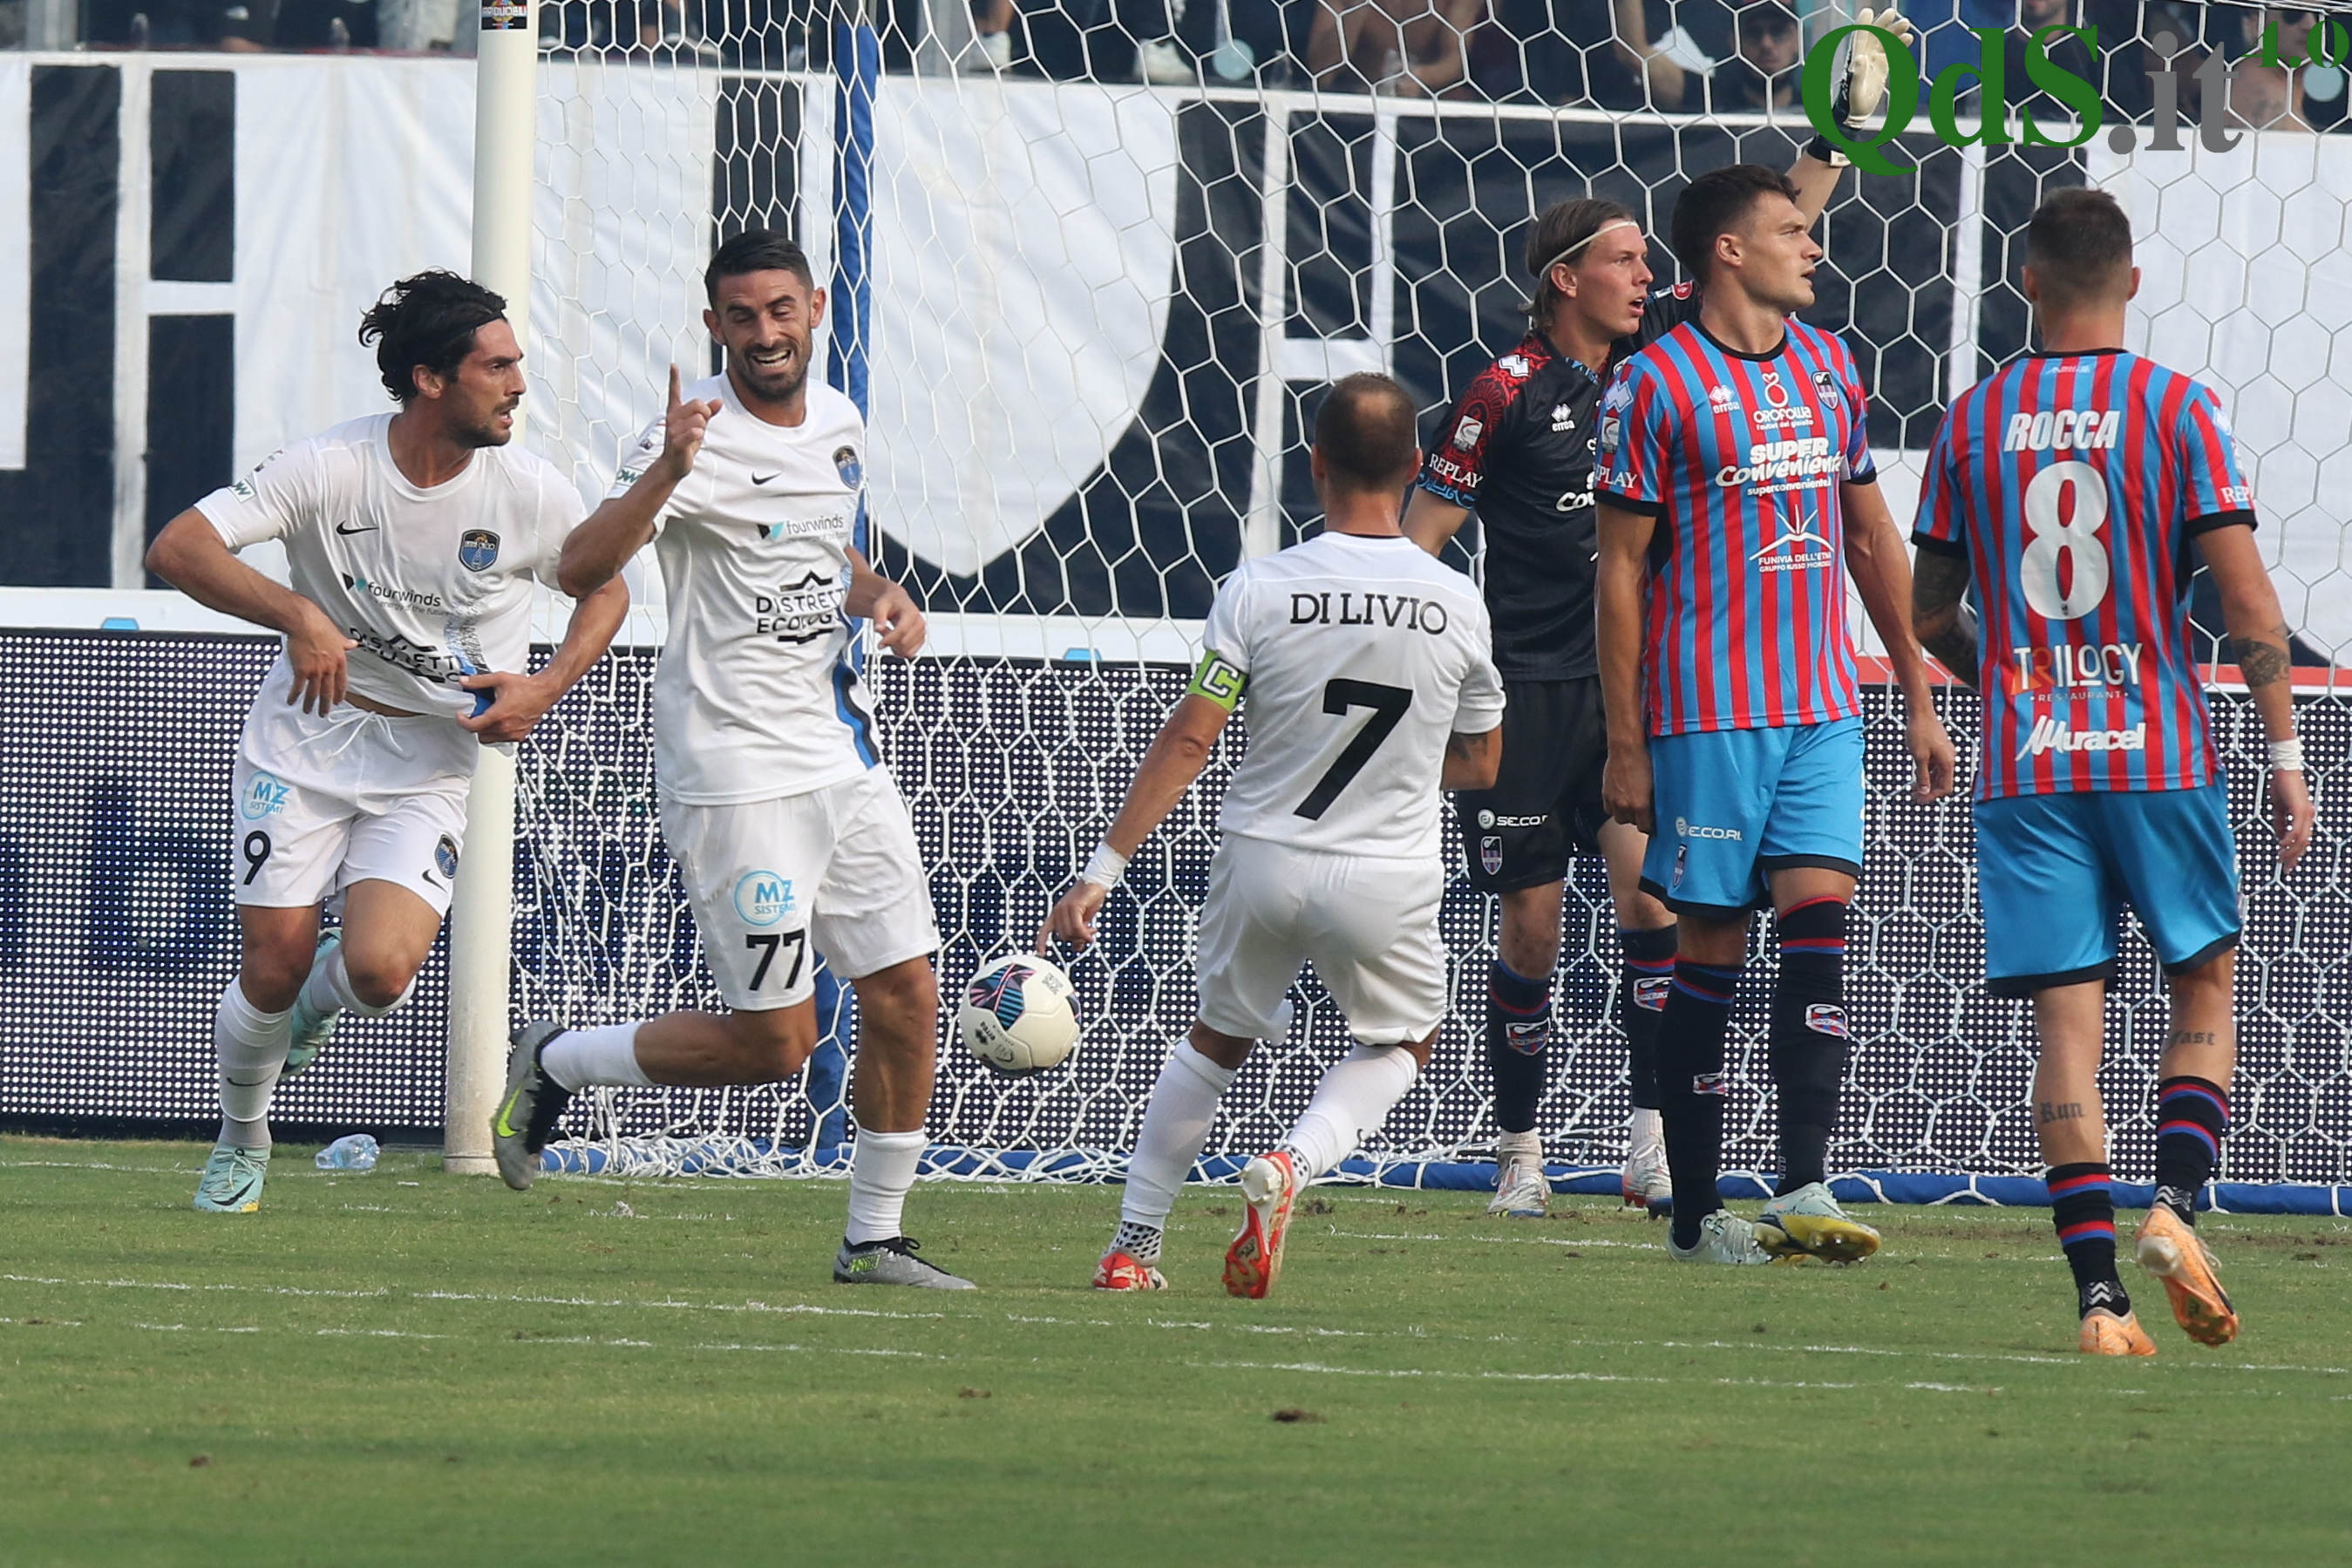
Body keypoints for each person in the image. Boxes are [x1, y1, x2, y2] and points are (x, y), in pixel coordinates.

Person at [1402, 64, 1909, 1218]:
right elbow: (1420, 541)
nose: (1648, 277)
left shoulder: (1669, 351)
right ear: (1564, 280)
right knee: (1530, 922)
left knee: (1657, 914)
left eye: (1651, 260)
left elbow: (1777, 219)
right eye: (1626, 261)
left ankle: (1650, 1149)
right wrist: (1410, 663)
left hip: (1649, 681)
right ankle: (1521, 1153)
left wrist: (1841, 125)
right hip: (1531, 687)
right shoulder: (1500, 393)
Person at [488, 232, 965, 1290]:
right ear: (713, 326)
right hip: (735, 774)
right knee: (775, 1046)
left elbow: (816, 544)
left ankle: (874, 1237)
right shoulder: (689, 437)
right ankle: (558, 1057)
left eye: (780, 310)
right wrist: (667, 468)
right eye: (741, 317)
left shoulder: (841, 423)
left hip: (841, 759)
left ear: (815, 309)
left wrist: (878, 593)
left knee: (906, 994)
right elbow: (579, 565)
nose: (764, 334)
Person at [1911, 187, 2315, 1354]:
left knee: (2064, 1032)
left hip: (2028, 763)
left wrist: (2013, 682)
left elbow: (1928, 611)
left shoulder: (1971, 417)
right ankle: (2172, 1206)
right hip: (2158, 748)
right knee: (2202, 984)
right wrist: (2285, 756)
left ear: (2024, 282)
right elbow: (2244, 603)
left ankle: (2097, 1301)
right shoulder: (2175, 409)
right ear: (2130, 284)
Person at [144, 270, 630, 1213]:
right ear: (431, 379)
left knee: (378, 972)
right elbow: (179, 547)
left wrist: (545, 683)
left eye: (517, 364)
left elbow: (600, 584)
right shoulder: (329, 466)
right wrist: (297, 613)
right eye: (496, 367)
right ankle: (243, 1138)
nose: (517, 384)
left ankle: (318, 1007)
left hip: (430, 758)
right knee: (271, 965)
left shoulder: (529, 490)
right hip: (307, 739)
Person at [1042, 373, 1504, 1299]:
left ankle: (1131, 1247)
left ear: (1316, 464)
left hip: (1263, 857)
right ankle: (1292, 1161)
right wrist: (1399, 772)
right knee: (1404, 1042)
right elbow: (1484, 762)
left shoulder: (1258, 587)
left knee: (1214, 1039)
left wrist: (1099, 872)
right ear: (1417, 466)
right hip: (1383, 870)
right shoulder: (1454, 600)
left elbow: (1190, 736)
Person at [1593, 164, 1955, 1266]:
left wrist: (1912, 680)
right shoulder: (1652, 386)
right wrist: (1626, 741)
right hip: (1708, 714)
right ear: (1729, 252)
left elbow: (1867, 534)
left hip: (1822, 703)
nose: (1815, 246)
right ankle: (1698, 1217)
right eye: (1792, 230)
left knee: (1818, 932)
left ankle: (1802, 1181)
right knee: (1710, 947)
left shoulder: (1829, 363)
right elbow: (1617, 570)